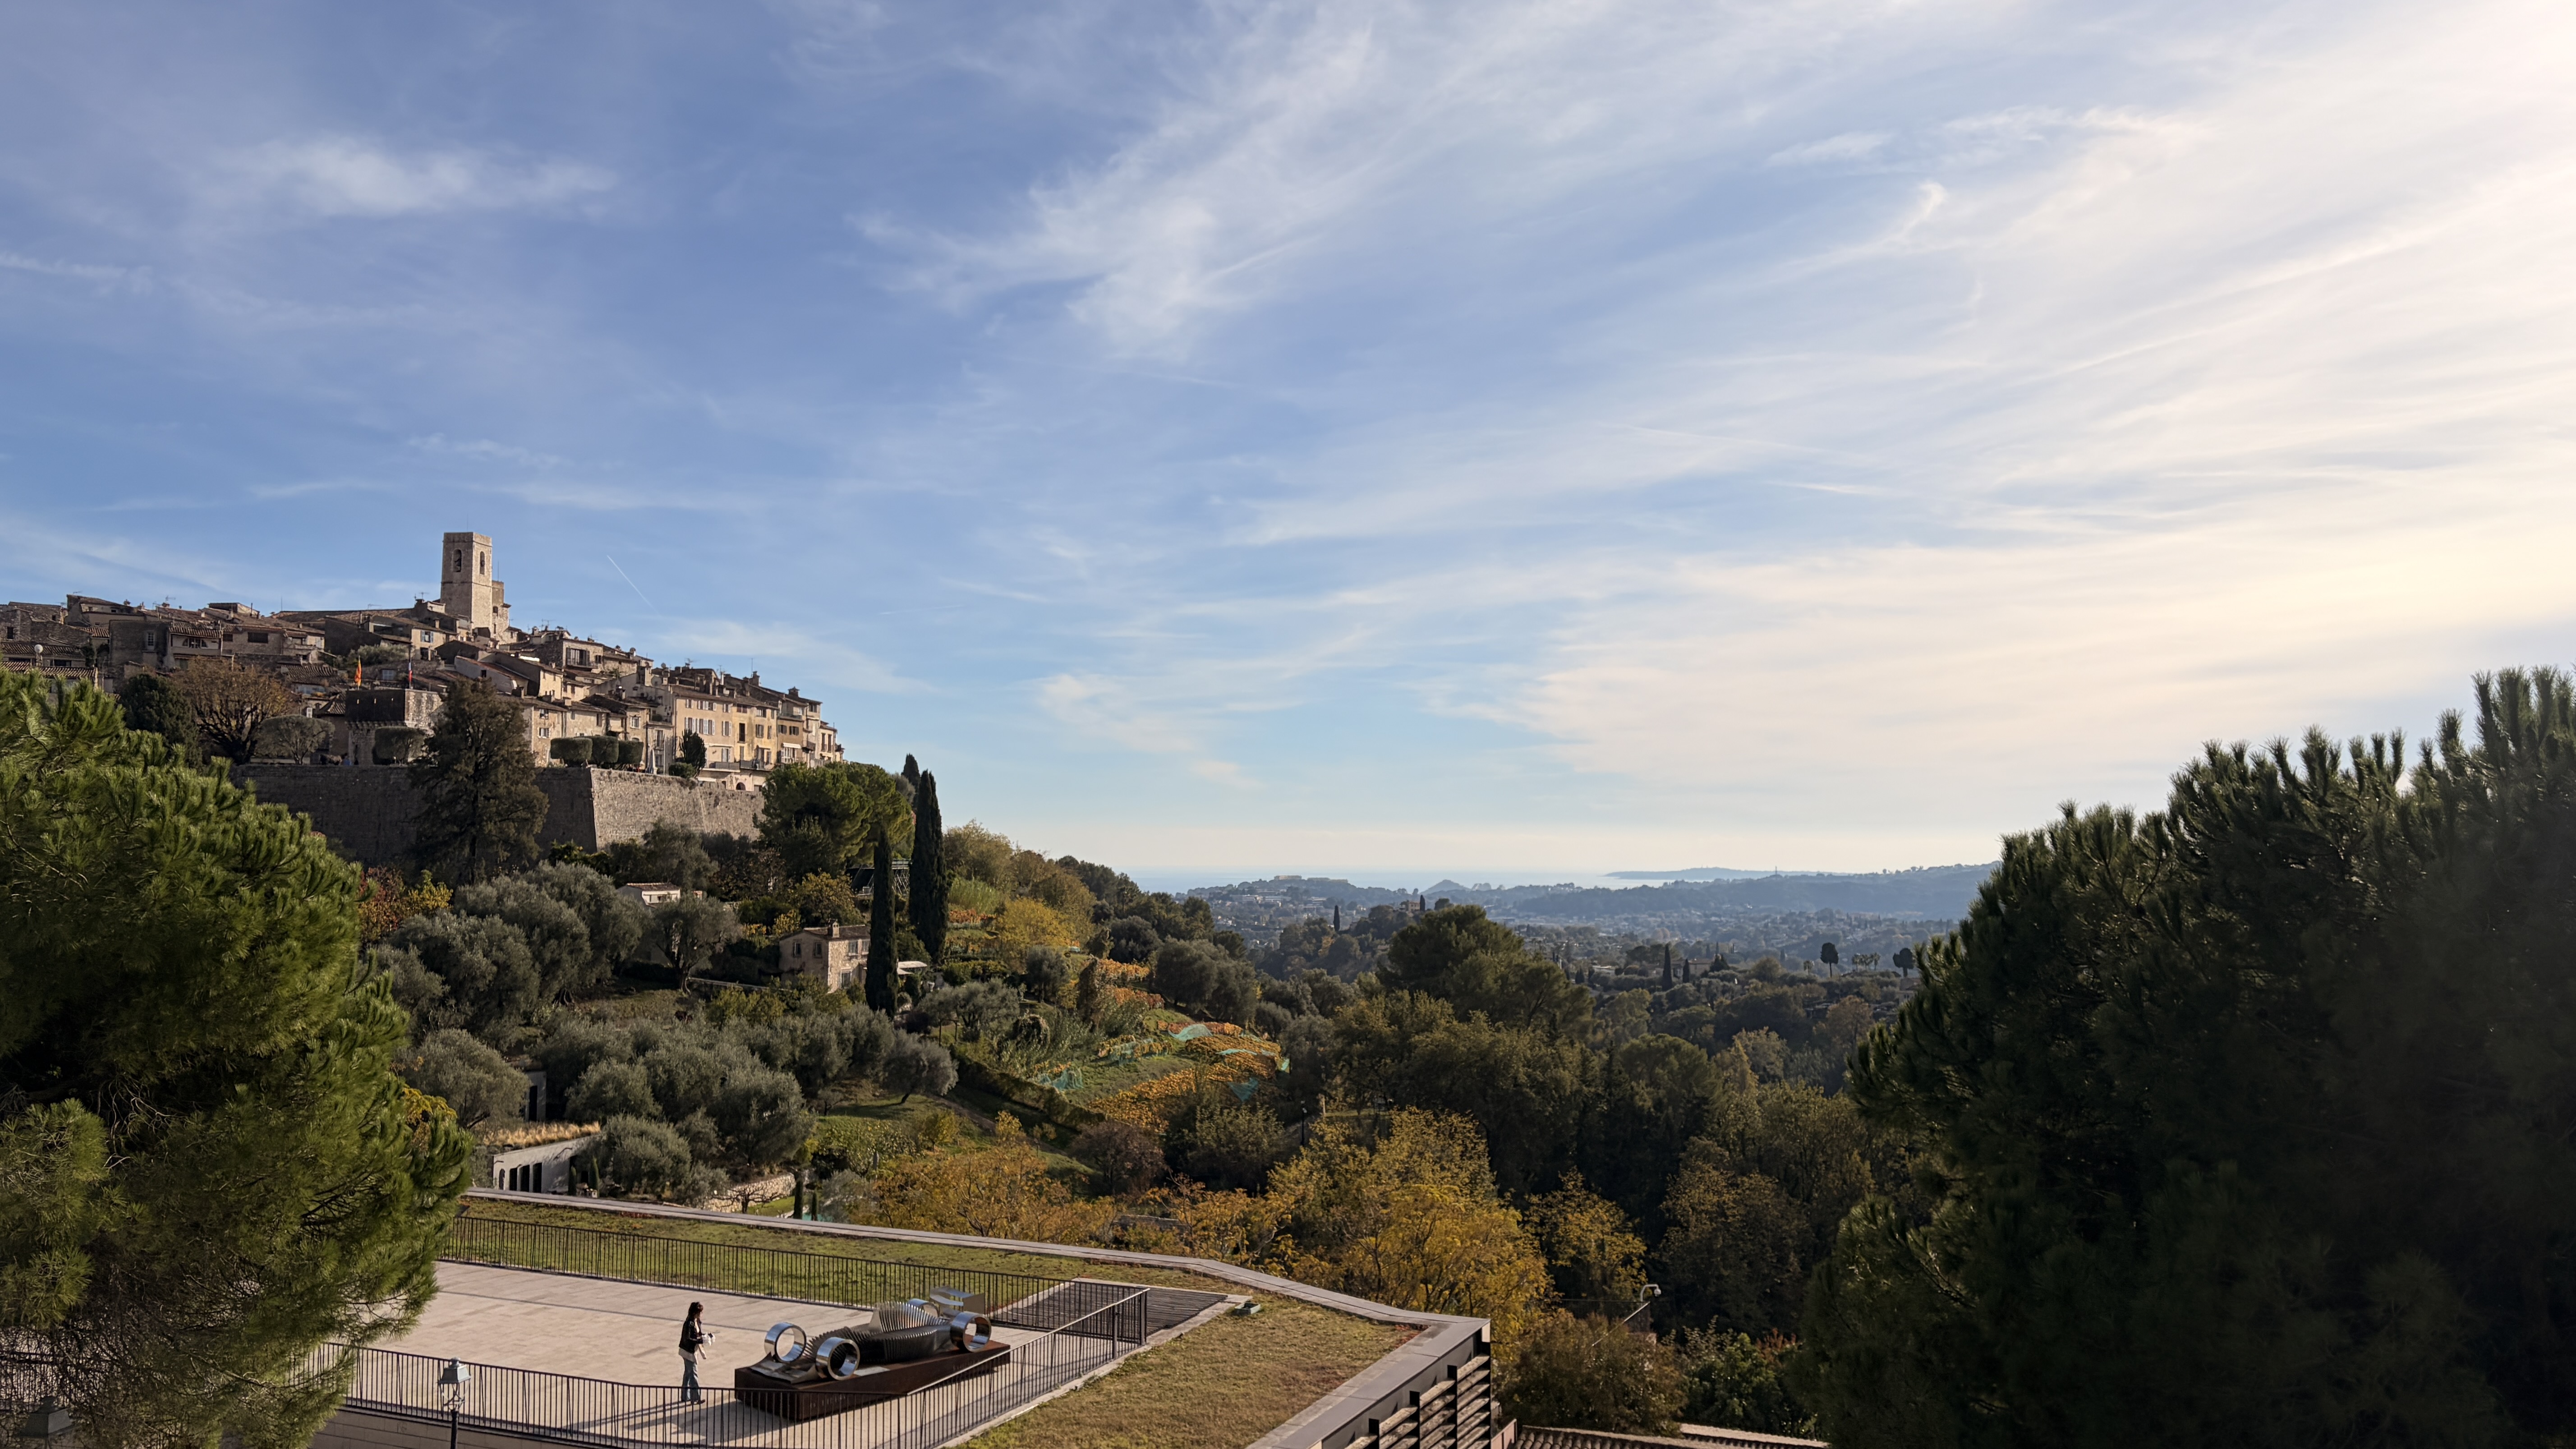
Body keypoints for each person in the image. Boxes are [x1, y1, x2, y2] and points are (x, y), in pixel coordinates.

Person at [678, 1302, 710, 1403]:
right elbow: (688, 1338)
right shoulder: (689, 1323)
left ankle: (685, 1396)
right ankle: (695, 1398)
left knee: (688, 1374)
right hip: (688, 1352)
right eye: (700, 1312)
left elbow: (697, 1334)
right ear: (696, 1313)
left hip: (687, 1351)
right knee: (693, 1374)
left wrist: (705, 1337)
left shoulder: (696, 1321)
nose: (701, 1314)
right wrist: (699, 1340)